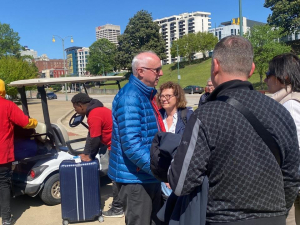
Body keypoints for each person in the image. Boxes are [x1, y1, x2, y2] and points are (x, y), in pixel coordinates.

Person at [167, 36, 300, 225]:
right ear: (252, 69)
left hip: (223, 218)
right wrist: (277, 211)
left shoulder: (206, 114)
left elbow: (181, 183)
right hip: (274, 218)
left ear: (215, 66)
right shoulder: (281, 111)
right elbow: (292, 175)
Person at [108, 51, 164, 225]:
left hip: (146, 175)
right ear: (141, 71)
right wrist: (159, 169)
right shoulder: (131, 97)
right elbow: (131, 145)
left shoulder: (144, 95)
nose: (161, 73)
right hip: (135, 179)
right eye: (157, 70)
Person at [71, 93, 124, 217]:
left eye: (75, 108)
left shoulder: (94, 115)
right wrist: (85, 153)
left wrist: (90, 156)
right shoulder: (97, 109)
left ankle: (118, 208)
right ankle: (121, 204)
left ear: (81, 105)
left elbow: (95, 138)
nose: (76, 111)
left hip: (116, 147)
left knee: (115, 177)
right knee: (117, 176)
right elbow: (91, 135)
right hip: (115, 145)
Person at [264, 53, 300, 224]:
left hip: (293, 190)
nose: (265, 80)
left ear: (284, 76)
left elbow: (294, 154)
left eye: (268, 74)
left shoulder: (290, 106)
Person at [0, 79, 38, 225]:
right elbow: (24, 122)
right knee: (3, 185)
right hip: (3, 156)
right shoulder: (8, 105)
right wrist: (34, 122)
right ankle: (6, 219)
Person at [156, 81, 193, 198]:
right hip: (160, 168)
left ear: (177, 97)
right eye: (162, 96)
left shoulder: (188, 116)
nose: (164, 99)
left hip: (180, 170)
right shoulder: (156, 116)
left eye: (168, 96)